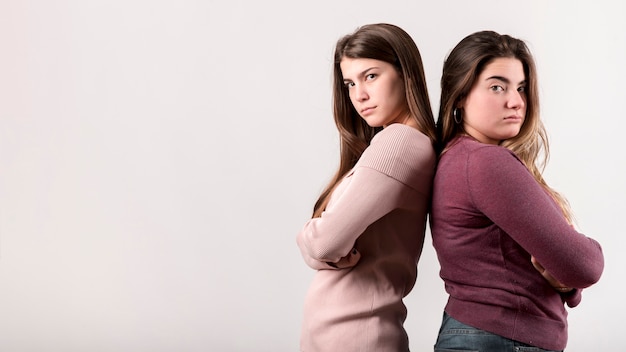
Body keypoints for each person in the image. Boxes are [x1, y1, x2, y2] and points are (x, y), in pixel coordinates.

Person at [429, 30, 605, 352]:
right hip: (499, 340)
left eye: (521, 87)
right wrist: (579, 262)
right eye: (497, 87)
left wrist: (566, 283)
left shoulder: (459, 157)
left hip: (483, 335)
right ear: (460, 96)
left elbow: (560, 270)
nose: (516, 101)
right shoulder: (485, 163)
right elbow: (586, 265)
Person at [295, 23, 437, 351]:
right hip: (347, 330)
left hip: (355, 332)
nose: (359, 95)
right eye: (350, 83)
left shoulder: (399, 142)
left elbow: (323, 246)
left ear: (406, 73)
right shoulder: (399, 142)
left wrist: (305, 235)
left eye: (371, 76)